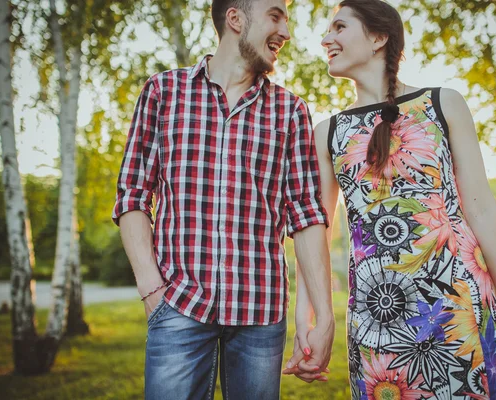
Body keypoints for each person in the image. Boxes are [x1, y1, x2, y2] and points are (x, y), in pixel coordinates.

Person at [283, 1, 496, 399]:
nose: (326, 39)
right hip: (376, 322)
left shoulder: (444, 103)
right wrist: (305, 320)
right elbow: (317, 235)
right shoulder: (327, 132)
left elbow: (481, 208)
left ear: (379, 38)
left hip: (460, 309)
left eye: (340, 27)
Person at [112, 1, 335, 399]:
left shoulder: (290, 110)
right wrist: (152, 290)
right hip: (178, 305)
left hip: (260, 314)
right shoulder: (164, 91)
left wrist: (324, 317)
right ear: (235, 18)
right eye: (275, 15)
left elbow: (306, 214)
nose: (286, 32)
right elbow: (132, 195)